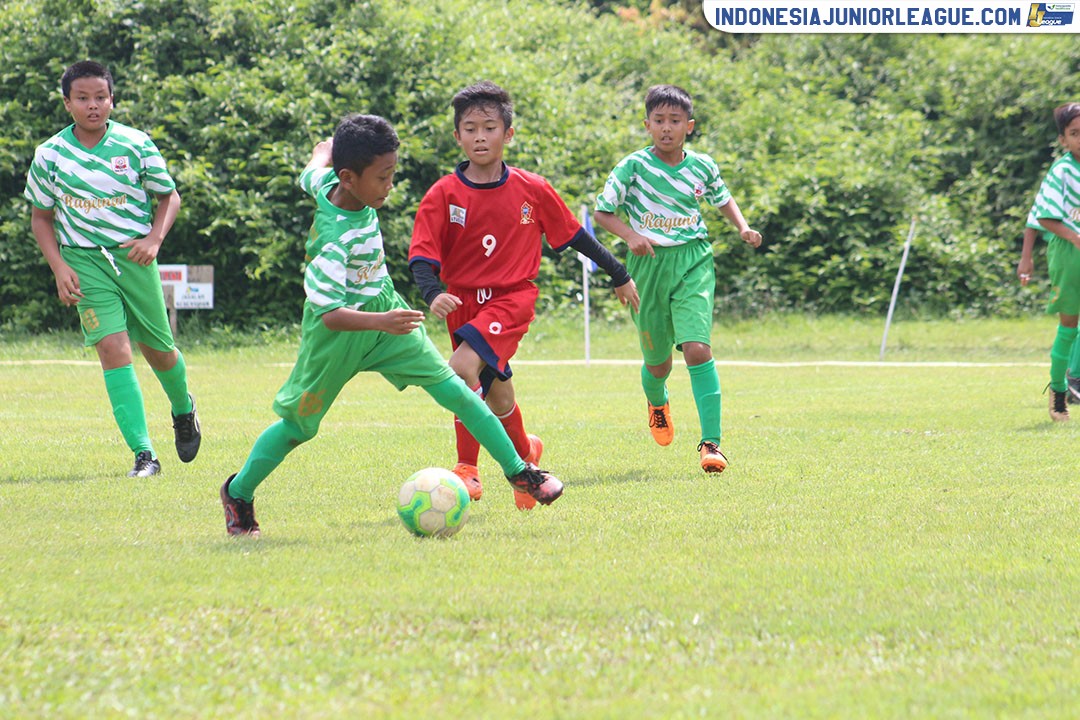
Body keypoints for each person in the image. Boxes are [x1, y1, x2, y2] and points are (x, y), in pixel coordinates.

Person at [219, 114, 563, 536]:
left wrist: (328, 146)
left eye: (392, 173)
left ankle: (519, 471)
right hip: (338, 336)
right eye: (383, 177)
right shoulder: (332, 239)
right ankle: (238, 491)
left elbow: (316, 164)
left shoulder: (328, 180)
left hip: (387, 321)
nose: (390, 185)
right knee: (298, 428)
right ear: (348, 178)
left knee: (460, 391)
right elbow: (330, 314)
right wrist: (384, 320)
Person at [408, 81, 639, 509]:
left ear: (507, 134)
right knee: (497, 396)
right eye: (470, 128)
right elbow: (422, 255)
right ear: (457, 136)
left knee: (459, 370)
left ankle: (467, 467)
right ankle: (527, 454)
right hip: (462, 303)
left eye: (490, 127)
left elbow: (575, 237)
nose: (480, 136)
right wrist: (433, 292)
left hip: (512, 299)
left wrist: (619, 272)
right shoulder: (443, 193)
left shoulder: (532, 188)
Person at [24, 60, 200, 478]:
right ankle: (144, 455)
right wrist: (59, 267)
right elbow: (40, 217)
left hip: (134, 259)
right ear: (67, 102)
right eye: (82, 98)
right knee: (112, 349)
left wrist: (154, 240)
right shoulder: (50, 155)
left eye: (100, 97)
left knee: (160, 353)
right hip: (84, 262)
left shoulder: (135, 145)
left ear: (112, 99)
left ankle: (183, 408)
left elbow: (168, 196)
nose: (93, 106)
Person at [593, 84, 761, 473]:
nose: (666, 128)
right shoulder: (633, 166)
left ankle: (712, 444)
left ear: (690, 125)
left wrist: (743, 227)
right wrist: (631, 235)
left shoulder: (702, 166)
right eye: (659, 121)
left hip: (693, 260)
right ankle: (656, 400)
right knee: (659, 365)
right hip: (647, 267)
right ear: (647, 124)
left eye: (675, 121)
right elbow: (603, 212)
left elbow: (723, 198)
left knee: (698, 348)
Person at [1030, 102, 1080, 421]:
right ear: (1063, 139)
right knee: (1069, 326)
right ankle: (1059, 394)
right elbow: (1044, 217)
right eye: (1075, 134)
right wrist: (1076, 238)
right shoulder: (1062, 171)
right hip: (1069, 253)